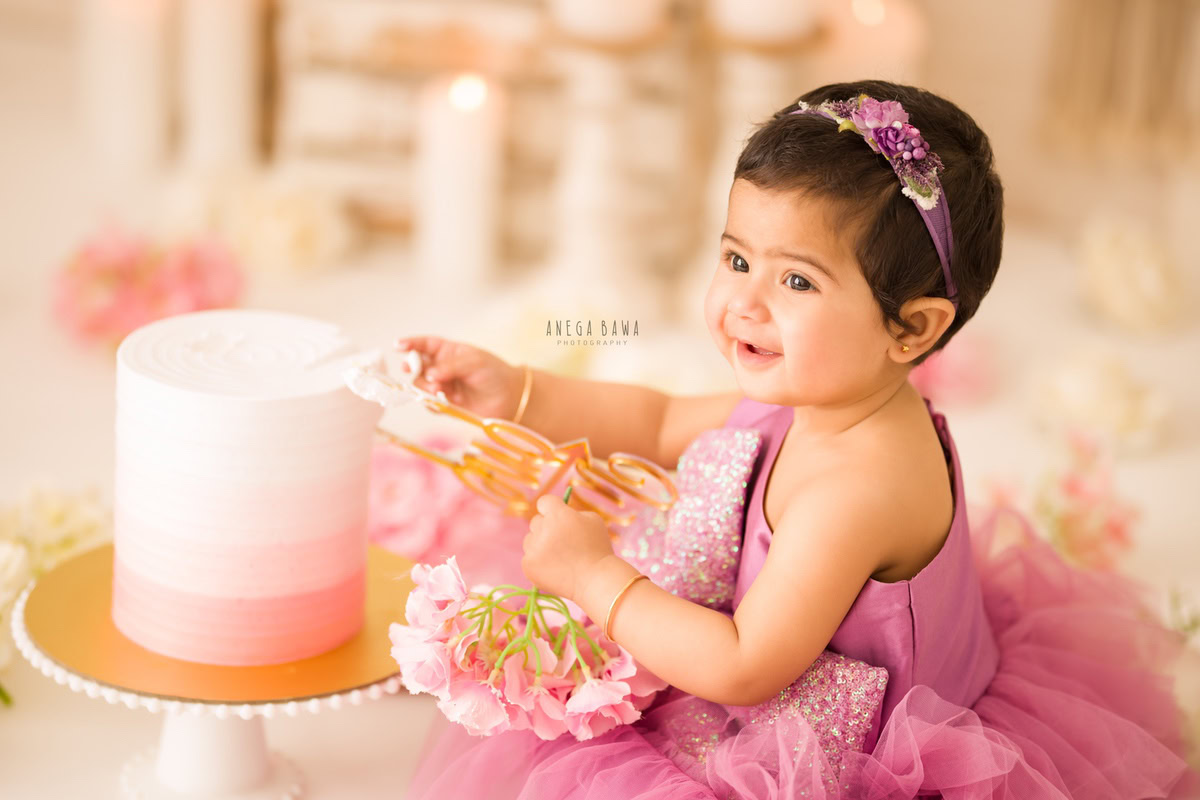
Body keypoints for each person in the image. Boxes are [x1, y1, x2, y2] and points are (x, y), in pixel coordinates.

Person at [397, 80, 1198, 798]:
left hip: (844, 753)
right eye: (737, 259)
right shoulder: (823, 393)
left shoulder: (859, 486)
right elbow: (656, 420)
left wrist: (596, 576)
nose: (745, 304)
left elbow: (744, 667)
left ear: (910, 328)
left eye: (797, 281)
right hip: (766, 664)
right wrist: (519, 390)